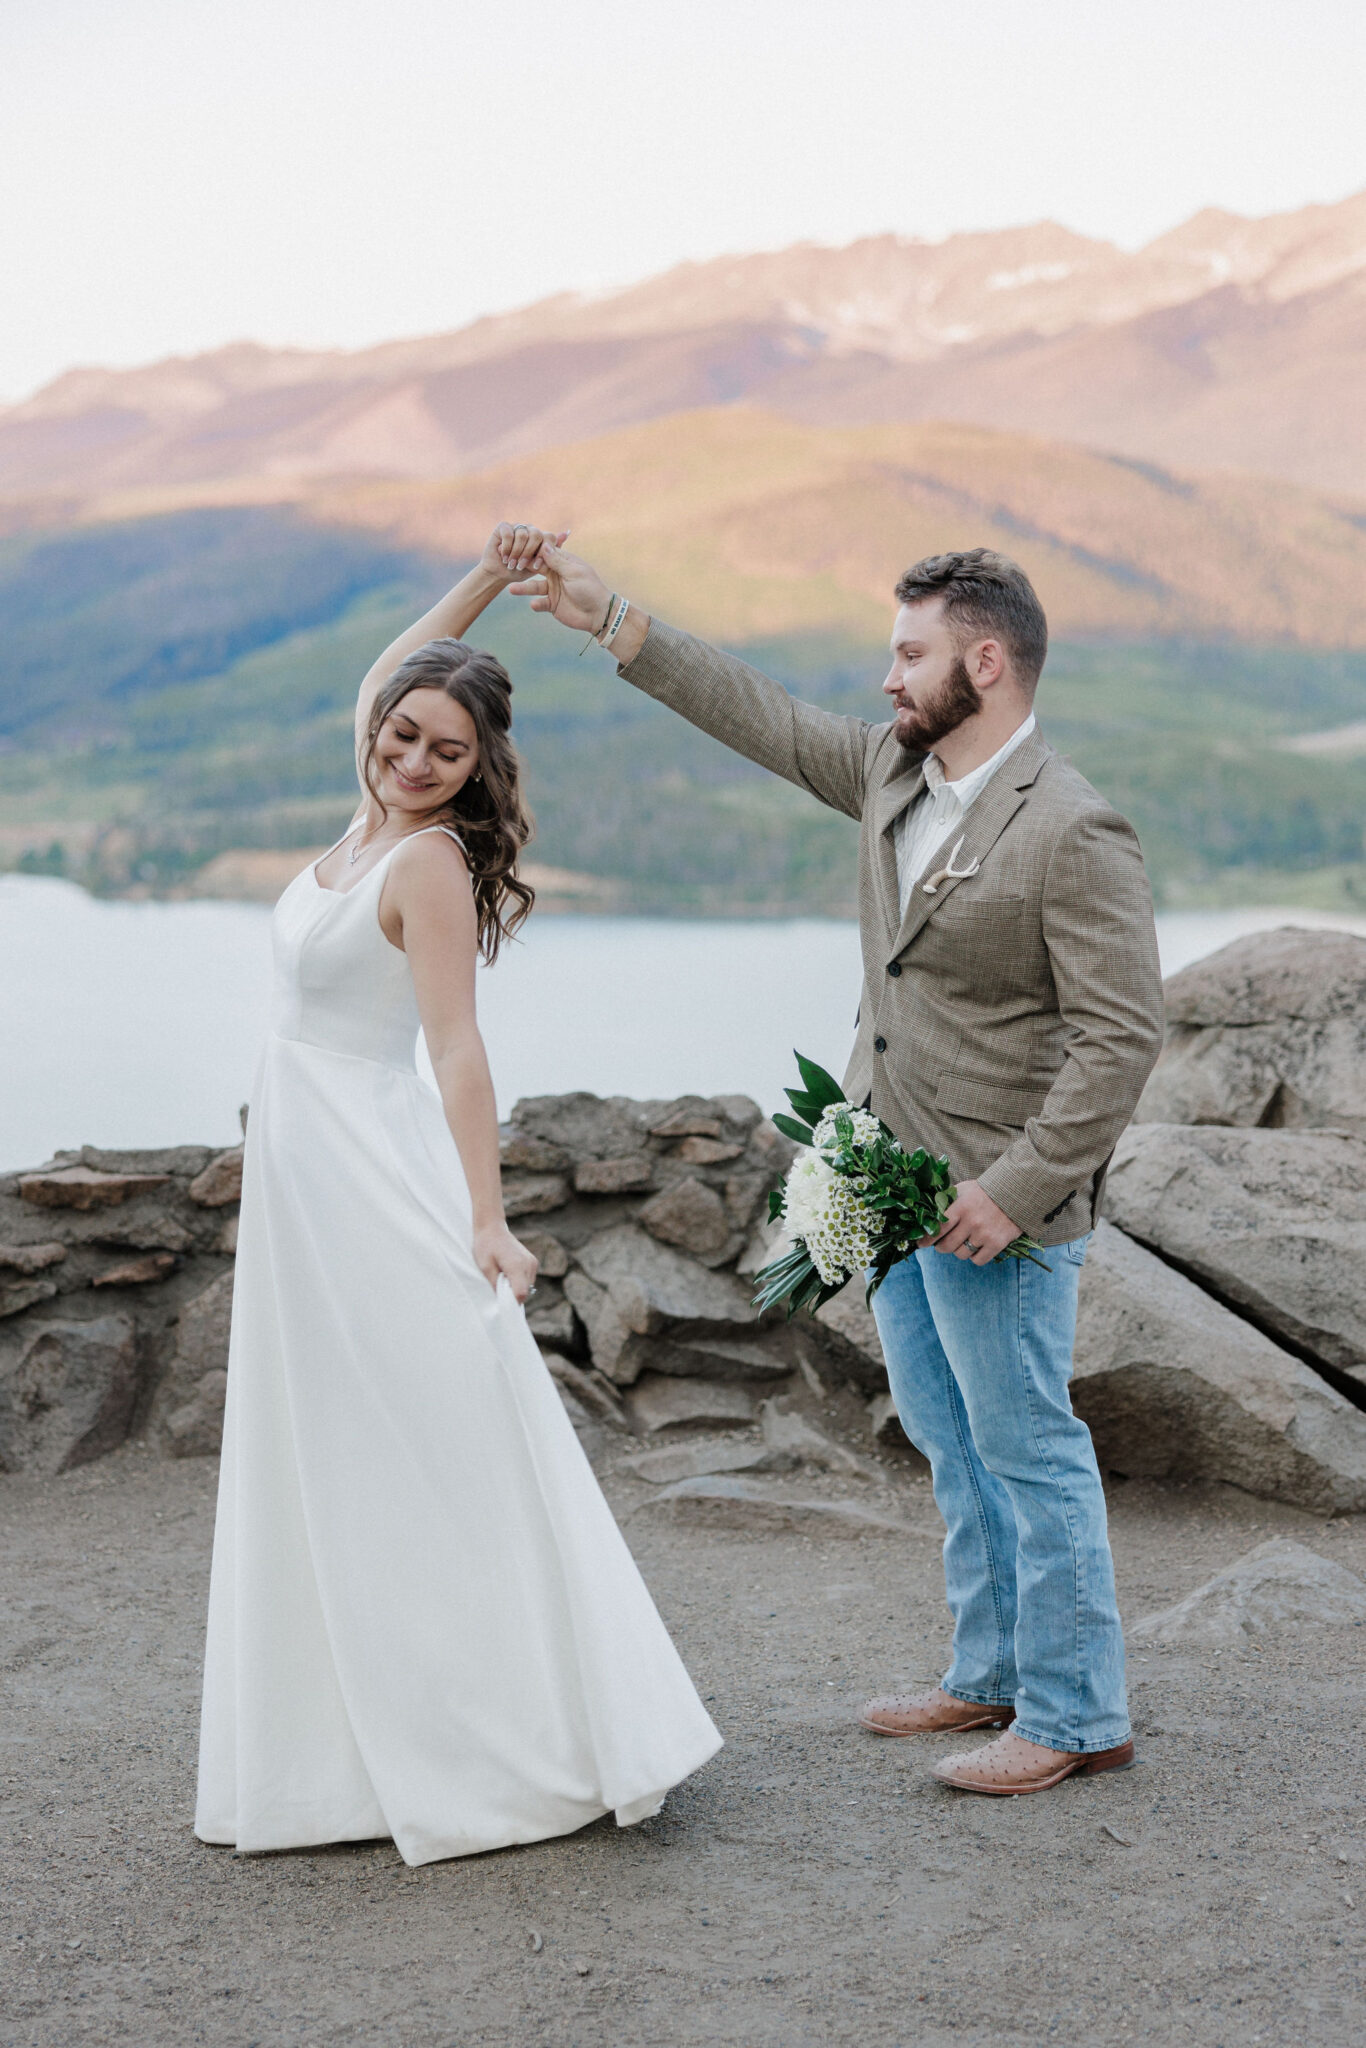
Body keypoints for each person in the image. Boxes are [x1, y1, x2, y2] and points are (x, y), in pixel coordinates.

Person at [510, 542, 1164, 1796]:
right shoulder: (889, 774)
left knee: (1027, 1443)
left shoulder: (1074, 827)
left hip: (993, 1210)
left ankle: (1080, 1713)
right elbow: (753, 710)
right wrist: (609, 617)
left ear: (985, 661)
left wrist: (1013, 1189)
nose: (887, 678)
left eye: (909, 653)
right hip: (888, 1183)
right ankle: (990, 1669)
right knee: (945, 1432)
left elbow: (1120, 1036)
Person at [194, 522, 721, 1866]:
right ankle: (349, 1751)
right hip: (308, 1183)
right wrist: (488, 583)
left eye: (446, 751)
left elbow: (457, 1050)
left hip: (370, 1179)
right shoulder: (364, 817)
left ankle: (509, 1730)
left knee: (419, 1450)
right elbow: (385, 673)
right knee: (331, 1452)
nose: (414, 758)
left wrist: (486, 1220)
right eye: (403, 735)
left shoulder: (423, 861)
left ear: (479, 770)